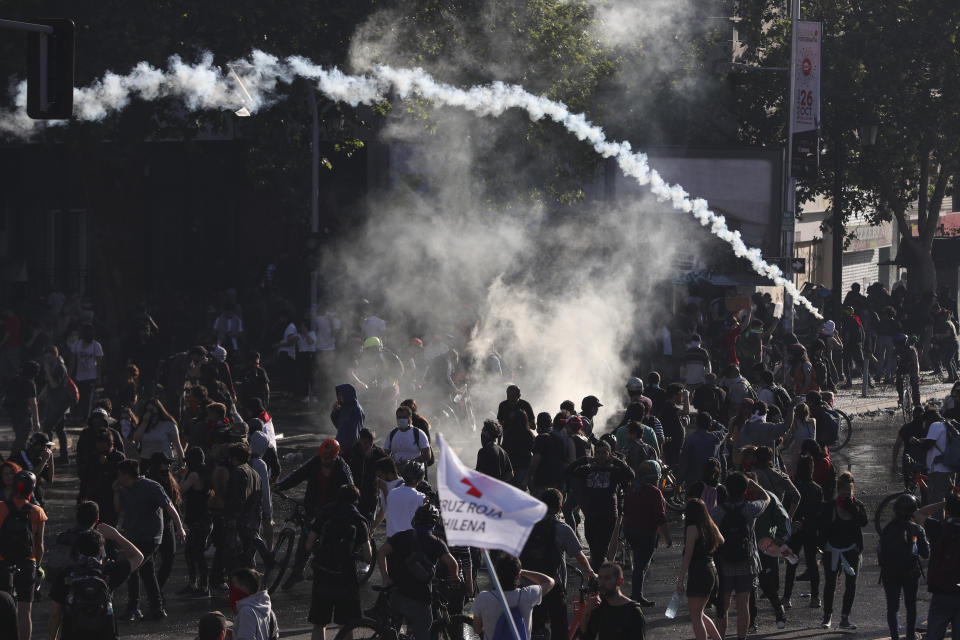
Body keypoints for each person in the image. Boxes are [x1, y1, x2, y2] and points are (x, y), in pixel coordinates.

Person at [114, 458, 186, 621]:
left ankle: (133, 608)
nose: (117, 478)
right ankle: (157, 607)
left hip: (150, 537)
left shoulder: (151, 486)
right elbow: (118, 509)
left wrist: (180, 527)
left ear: (127, 475)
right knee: (148, 571)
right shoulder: (124, 489)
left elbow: (169, 506)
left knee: (133, 568)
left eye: (119, 475)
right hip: (132, 537)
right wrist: (116, 492)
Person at [276, 438, 353, 589]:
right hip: (313, 508)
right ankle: (297, 573)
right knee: (305, 540)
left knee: (328, 542)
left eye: (328, 458)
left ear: (336, 456)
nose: (325, 461)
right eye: (323, 457)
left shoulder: (342, 469)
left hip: (332, 511)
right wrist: (280, 486)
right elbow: (297, 475)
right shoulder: (315, 462)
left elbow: (351, 491)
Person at [47, 522, 145, 640]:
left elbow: (55, 612)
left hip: (72, 634)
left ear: (78, 549)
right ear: (100, 551)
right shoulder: (107, 572)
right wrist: (116, 535)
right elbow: (138, 557)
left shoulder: (67, 574)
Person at [378, 504, 460, 640]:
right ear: (434, 523)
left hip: (396, 593)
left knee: (392, 631)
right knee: (423, 632)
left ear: (415, 519)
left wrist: (385, 577)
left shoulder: (400, 536)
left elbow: (381, 552)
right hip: (420, 599)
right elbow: (452, 564)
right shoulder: (437, 543)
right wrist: (455, 578)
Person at [523, 489, 596, 640]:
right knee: (560, 627)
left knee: (533, 627)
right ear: (560, 508)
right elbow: (579, 556)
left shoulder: (527, 526)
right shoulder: (561, 528)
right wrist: (590, 572)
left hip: (529, 586)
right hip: (554, 585)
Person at [710, 472, 770, 640]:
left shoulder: (717, 512)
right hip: (747, 561)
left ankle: (719, 638)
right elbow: (767, 499)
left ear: (726, 489)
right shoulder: (750, 509)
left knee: (723, 606)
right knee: (743, 605)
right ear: (745, 490)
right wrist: (753, 484)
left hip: (724, 564)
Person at [306, 484, 371, 640]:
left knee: (319, 624)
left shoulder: (325, 513)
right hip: (346, 578)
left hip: (323, 575)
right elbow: (368, 556)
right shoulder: (358, 520)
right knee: (346, 624)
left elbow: (308, 545)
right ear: (355, 501)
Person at [567, 441, 635, 565]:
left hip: (608, 515)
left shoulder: (614, 471)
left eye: (604, 452)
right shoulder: (587, 470)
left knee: (601, 550)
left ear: (609, 454)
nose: (601, 456)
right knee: (593, 548)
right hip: (591, 514)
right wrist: (585, 460)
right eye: (598, 453)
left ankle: (599, 578)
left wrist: (616, 461)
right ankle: (597, 577)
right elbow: (569, 470)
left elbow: (630, 474)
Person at [0, 470, 47, 640]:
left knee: (3, 607)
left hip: (3, 563)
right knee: (25, 611)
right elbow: (40, 545)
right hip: (27, 564)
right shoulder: (37, 511)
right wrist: (38, 566)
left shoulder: (1, 507)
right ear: (31, 489)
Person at [818, 471, 867, 630]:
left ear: (852, 491)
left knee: (851, 585)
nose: (845, 495)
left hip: (851, 550)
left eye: (849, 492)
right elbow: (823, 528)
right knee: (830, 584)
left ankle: (845, 618)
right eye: (843, 492)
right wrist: (820, 548)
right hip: (832, 550)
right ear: (838, 490)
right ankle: (827, 616)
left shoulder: (857, 505)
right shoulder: (830, 507)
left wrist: (851, 507)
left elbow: (863, 522)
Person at [879, 493, 929, 640]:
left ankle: (894, 636)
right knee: (911, 605)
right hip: (911, 572)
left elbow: (881, 551)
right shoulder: (917, 529)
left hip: (890, 572)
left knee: (892, 607)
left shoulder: (888, 528)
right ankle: (910, 635)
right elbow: (926, 553)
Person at [621, 461, 671, 606]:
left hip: (630, 530)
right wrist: (667, 537)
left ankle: (637, 594)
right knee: (641, 565)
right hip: (646, 532)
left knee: (638, 561)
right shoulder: (654, 492)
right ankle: (636, 595)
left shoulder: (632, 488)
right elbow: (660, 518)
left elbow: (625, 509)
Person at [473, 553, 554, 640]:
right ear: (518, 576)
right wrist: (521, 571)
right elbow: (550, 581)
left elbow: (477, 629)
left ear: (496, 574)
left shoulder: (483, 598)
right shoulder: (528, 595)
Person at [677, 499, 724, 640]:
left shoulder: (692, 528)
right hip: (711, 571)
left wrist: (680, 579)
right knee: (700, 613)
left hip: (698, 572)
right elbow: (722, 540)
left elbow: (688, 555)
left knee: (695, 616)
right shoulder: (709, 525)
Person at [918, 494, 960, 640]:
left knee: (934, 635)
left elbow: (918, 513)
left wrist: (943, 503)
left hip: (942, 592)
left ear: (947, 512)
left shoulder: (938, 528)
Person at [578, 562, 644, 640]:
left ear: (620, 581)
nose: (602, 583)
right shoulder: (600, 607)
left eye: (607, 578)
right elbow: (586, 637)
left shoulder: (633, 611)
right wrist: (585, 612)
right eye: (600, 578)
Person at [180, 447, 213, 599]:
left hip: (198, 518)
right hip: (204, 517)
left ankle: (202, 587)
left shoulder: (193, 475)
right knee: (193, 552)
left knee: (195, 553)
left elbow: (180, 490)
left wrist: (182, 476)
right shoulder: (206, 471)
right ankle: (195, 584)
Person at [39, 345, 71, 464]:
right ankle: (64, 456)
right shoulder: (53, 366)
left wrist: (47, 371)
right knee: (59, 429)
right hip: (55, 403)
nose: (47, 361)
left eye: (49, 358)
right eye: (45, 358)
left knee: (47, 428)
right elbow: (48, 385)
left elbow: (54, 385)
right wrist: (41, 396)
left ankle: (47, 455)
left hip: (60, 404)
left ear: (55, 355)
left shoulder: (59, 367)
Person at [230, 568, 279, 640]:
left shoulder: (246, 612)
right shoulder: (269, 610)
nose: (231, 587)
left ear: (244, 587)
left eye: (234, 583)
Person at [5, 360, 41, 457]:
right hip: (24, 414)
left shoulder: (14, 380)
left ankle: (15, 459)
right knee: (22, 440)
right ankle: (14, 460)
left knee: (19, 437)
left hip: (13, 413)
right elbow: (33, 403)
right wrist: (36, 421)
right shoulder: (29, 383)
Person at [133, 398, 185, 463]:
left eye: (151, 410)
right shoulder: (144, 424)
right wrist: (144, 422)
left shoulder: (169, 425)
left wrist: (183, 462)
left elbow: (177, 445)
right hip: (146, 460)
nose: (150, 413)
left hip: (164, 462)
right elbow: (136, 439)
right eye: (147, 411)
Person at [923, 410, 959, 505]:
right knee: (949, 504)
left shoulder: (935, 425)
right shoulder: (948, 425)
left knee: (936, 505)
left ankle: (939, 520)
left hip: (938, 471)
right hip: (950, 469)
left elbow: (928, 445)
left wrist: (916, 442)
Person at [384, 460, 427, 537]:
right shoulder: (420, 497)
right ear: (420, 479)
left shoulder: (392, 492)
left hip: (391, 539)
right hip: (409, 540)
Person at [527, 413, 566, 497]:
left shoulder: (541, 438)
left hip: (543, 482)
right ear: (551, 424)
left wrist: (528, 478)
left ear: (538, 424)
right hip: (557, 482)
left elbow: (535, 461)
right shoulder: (560, 438)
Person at [70, 324, 103, 419]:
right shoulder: (77, 344)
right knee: (77, 398)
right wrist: (69, 375)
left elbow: (99, 364)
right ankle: (76, 417)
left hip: (91, 377)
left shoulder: (96, 345)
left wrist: (99, 378)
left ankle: (85, 418)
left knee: (88, 400)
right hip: (79, 376)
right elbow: (73, 362)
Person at [475, 419, 514, 484]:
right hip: (499, 491)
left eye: (483, 431)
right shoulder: (503, 451)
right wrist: (499, 482)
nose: (481, 434)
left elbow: (480, 475)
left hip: (487, 490)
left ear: (487, 434)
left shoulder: (483, 452)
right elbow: (510, 474)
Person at [330, 384, 364, 449]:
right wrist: (335, 411)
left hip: (349, 448)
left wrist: (347, 448)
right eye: (338, 395)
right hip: (339, 444)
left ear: (347, 395)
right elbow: (338, 425)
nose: (339, 397)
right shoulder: (344, 407)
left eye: (341, 395)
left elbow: (354, 433)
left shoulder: (356, 410)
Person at [894, 333, 921, 409]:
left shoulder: (911, 350)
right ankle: (901, 398)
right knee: (898, 382)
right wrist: (893, 375)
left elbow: (916, 364)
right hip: (902, 369)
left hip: (912, 369)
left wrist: (916, 375)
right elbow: (893, 364)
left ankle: (917, 405)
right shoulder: (896, 351)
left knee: (915, 386)